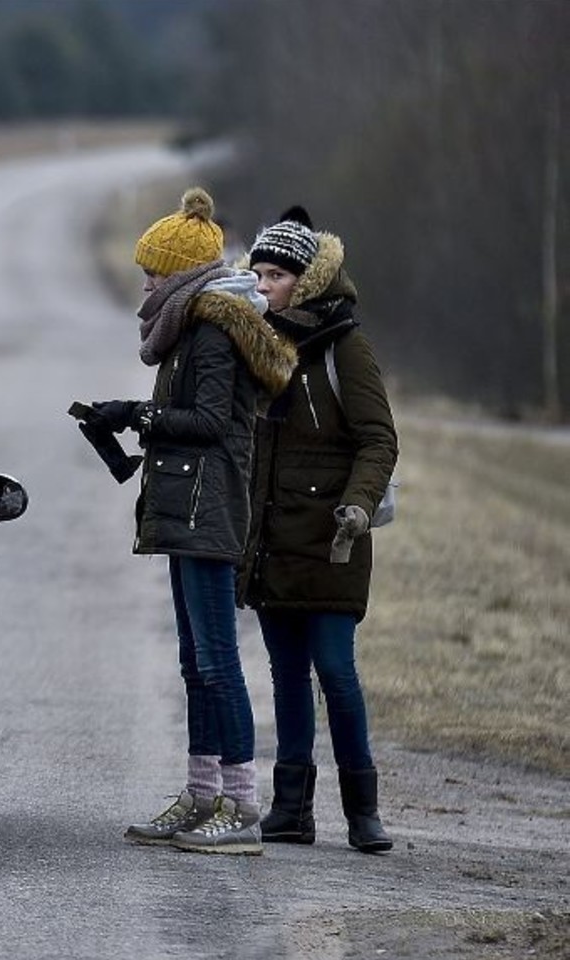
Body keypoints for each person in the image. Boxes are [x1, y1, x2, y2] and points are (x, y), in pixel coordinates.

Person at [83, 188, 297, 855]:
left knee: (217, 661)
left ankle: (241, 806)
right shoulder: (190, 325)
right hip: (187, 506)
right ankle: (202, 794)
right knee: (194, 662)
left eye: (155, 269)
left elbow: (210, 422)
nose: (145, 278)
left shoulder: (210, 329)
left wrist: (138, 417)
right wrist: (128, 409)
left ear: (182, 273)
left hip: (210, 508)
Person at [239, 207, 398, 854]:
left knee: (336, 671)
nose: (263, 285)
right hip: (272, 541)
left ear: (304, 282)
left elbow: (378, 439)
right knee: (285, 676)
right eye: (257, 274)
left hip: (333, 541)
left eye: (275, 275)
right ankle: (290, 810)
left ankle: (364, 812)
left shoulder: (345, 346)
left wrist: (357, 508)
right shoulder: (256, 341)